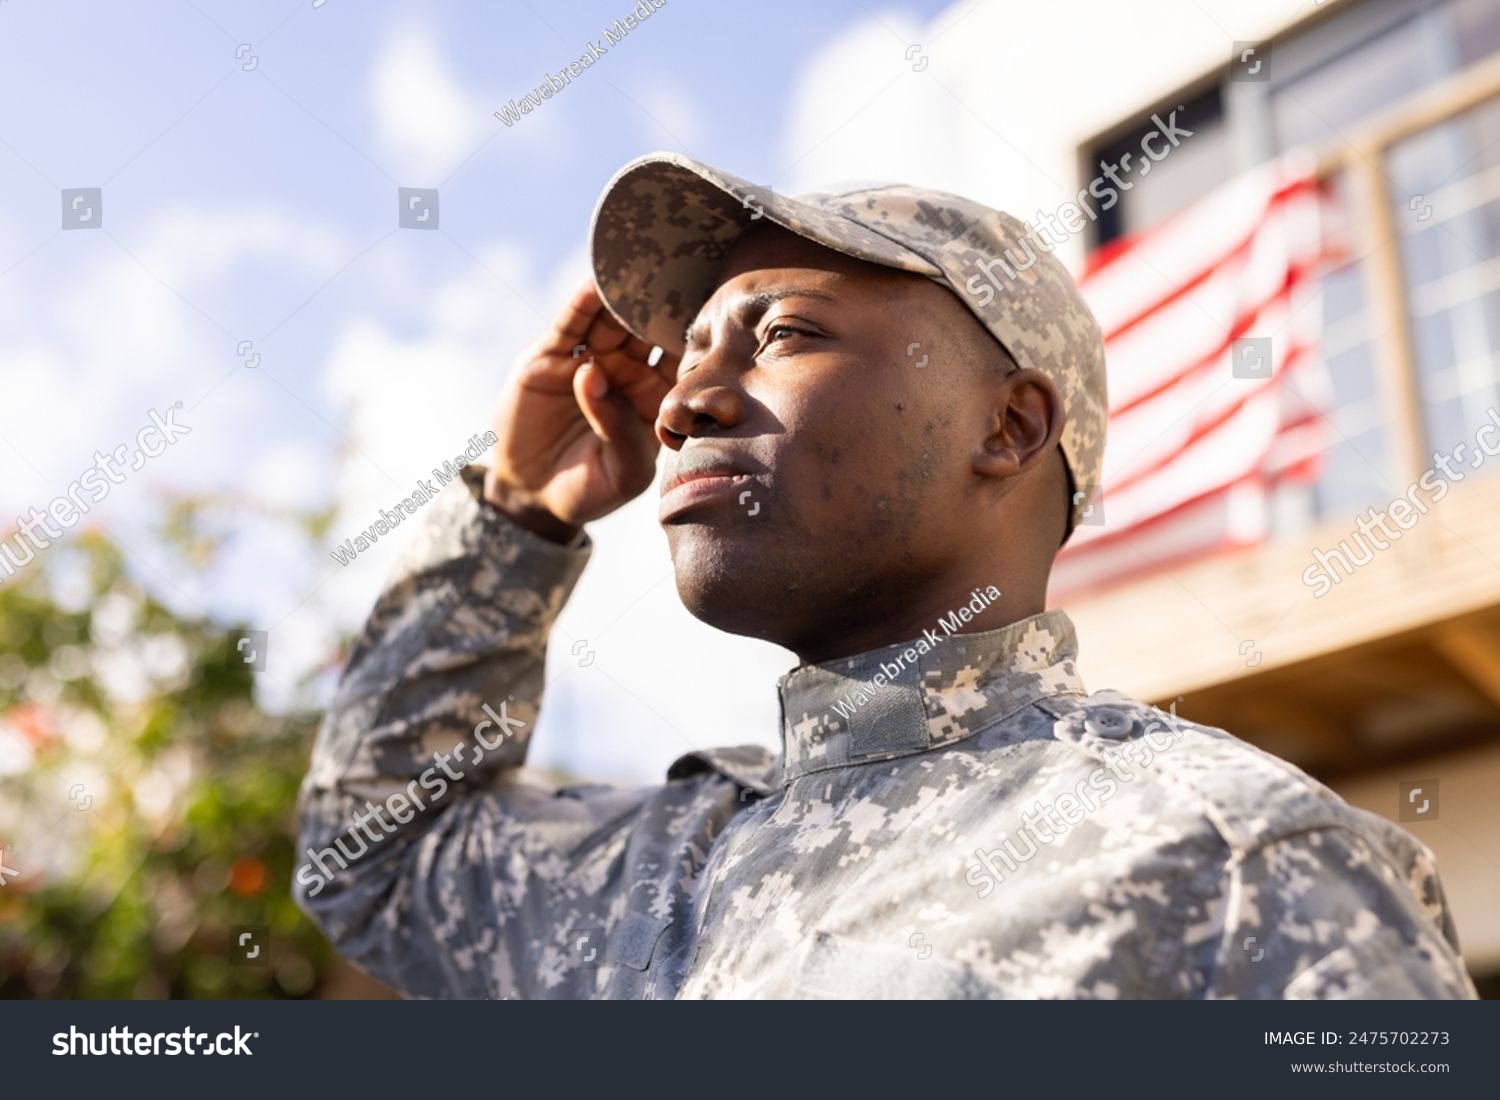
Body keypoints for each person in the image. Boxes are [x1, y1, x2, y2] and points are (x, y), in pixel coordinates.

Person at [295, 152, 1476, 999]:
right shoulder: (654, 870)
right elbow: (374, 856)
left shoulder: (1230, 864)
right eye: (688, 357)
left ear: (1011, 427)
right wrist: (516, 519)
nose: (684, 407)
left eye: (786, 334)